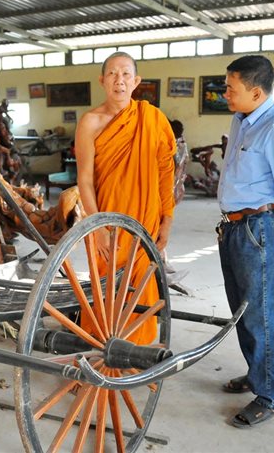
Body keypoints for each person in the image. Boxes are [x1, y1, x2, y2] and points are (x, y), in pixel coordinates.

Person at [216, 55, 274, 428]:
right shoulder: (241, 120)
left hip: (260, 229)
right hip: (234, 228)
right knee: (242, 310)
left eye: (230, 89)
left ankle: (272, 395)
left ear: (256, 92)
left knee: (263, 316)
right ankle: (258, 377)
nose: (225, 94)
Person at [75, 52, 177, 345]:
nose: (119, 80)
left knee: (142, 289)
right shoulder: (90, 122)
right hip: (106, 223)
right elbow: (84, 180)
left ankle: (135, 355)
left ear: (136, 81)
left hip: (145, 222)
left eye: (126, 74)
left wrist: (167, 221)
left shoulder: (153, 119)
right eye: (112, 74)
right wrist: (98, 230)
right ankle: (97, 355)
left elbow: (165, 175)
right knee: (105, 292)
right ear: (102, 80)